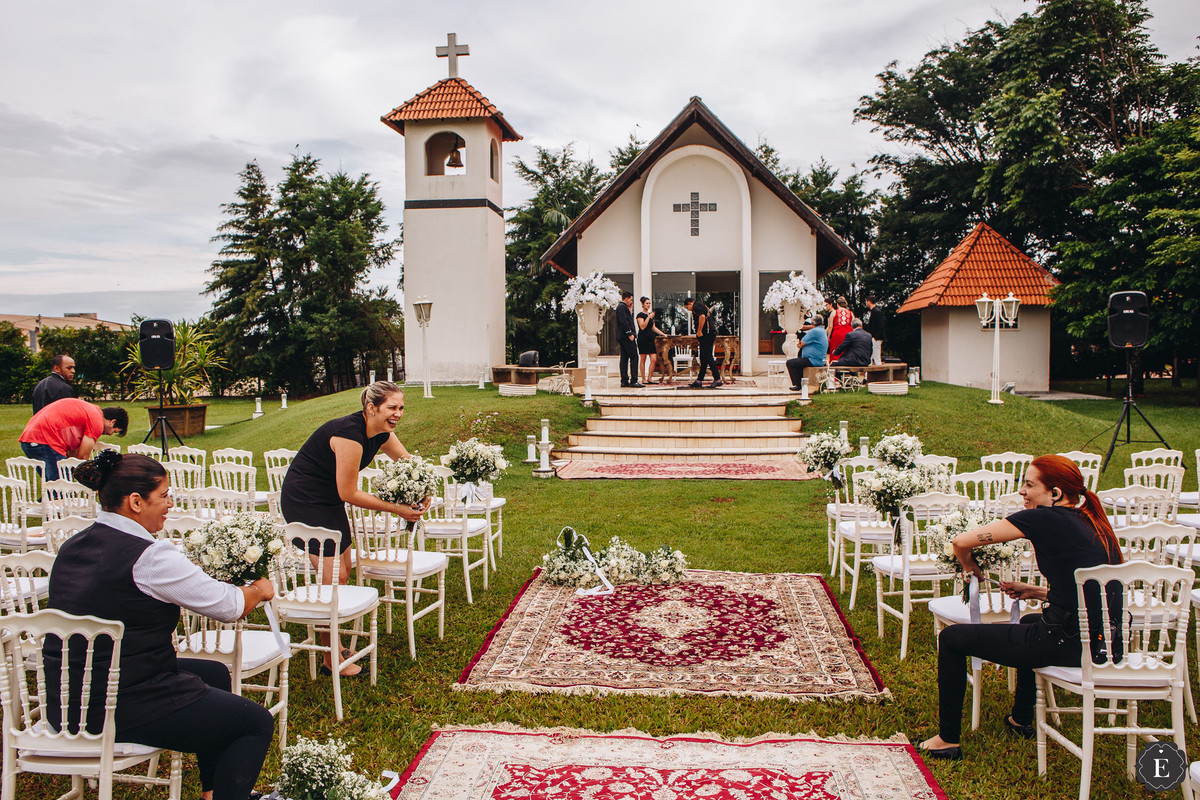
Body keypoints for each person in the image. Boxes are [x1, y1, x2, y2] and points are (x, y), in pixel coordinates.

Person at [47, 451, 275, 800]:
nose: (171, 503)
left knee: (214, 673)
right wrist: (258, 588)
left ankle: (214, 790)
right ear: (136, 502)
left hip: (67, 697)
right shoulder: (150, 555)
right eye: (165, 495)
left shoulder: (73, 545)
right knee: (254, 723)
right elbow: (230, 607)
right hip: (115, 704)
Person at [919, 455, 1123, 760]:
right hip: (1106, 644)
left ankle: (946, 739)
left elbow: (961, 541)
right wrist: (1038, 591)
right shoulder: (1093, 520)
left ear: (1054, 493)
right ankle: (1021, 719)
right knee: (1029, 619)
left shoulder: (1042, 518)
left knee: (951, 640)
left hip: (1065, 643)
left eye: (1029, 485)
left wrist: (969, 566)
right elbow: (1087, 591)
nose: (1022, 491)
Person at [280, 381, 429, 676]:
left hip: (329, 500)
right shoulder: (349, 435)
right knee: (333, 574)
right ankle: (330, 656)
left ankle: (331, 643)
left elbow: (411, 464)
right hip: (306, 500)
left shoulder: (382, 433)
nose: (398, 413)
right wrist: (398, 509)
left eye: (401, 408)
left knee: (343, 571)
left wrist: (424, 489)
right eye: (391, 408)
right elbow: (349, 493)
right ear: (371, 408)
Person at [19, 397, 128, 480]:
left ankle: (44, 506)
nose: (110, 435)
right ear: (112, 422)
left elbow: (74, 455)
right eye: (114, 431)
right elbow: (82, 458)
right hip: (46, 441)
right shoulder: (97, 421)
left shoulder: (90, 410)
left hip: (30, 439)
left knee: (54, 484)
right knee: (62, 488)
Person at [683, 297, 722, 388]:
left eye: (687, 307)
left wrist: (699, 331)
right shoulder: (701, 305)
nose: (688, 309)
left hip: (706, 334)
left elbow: (702, 317)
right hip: (706, 334)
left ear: (689, 303)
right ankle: (699, 380)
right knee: (703, 357)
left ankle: (717, 379)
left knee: (707, 356)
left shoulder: (696, 306)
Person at [786, 313, 827, 391]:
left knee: (790, 363)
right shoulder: (822, 330)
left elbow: (802, 343)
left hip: (813, 359)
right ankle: (802, 383)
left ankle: (797, 384)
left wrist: (801, 345)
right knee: (799, 362)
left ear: (812, 323)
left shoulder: (814, 331)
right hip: (819, 359)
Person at [636, 297, 667, 384]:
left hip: (650, 339)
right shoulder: (640, 315)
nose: (648, 305)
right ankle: (643, 378)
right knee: (643, 359)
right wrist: (648, 317)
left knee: (654, 359)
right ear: (642, 304)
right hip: (642, 339)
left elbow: (653, 327)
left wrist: (663, 334)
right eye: (647, 303)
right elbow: (642, 326)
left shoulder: (650, 315)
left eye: (649, 303)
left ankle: (650, 378)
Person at [615, 291, 642, 388]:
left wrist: (630, 311)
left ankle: (624, 380)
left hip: (622, 336)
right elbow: (624, 321)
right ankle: (634, 380)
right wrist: (629, 333)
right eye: (631, 299)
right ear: (626, 298)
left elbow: (626, 318)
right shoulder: (622, 307)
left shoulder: (622, 308)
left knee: (624, 358)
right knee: (634, 356)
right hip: (626, 336)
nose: (631, 301)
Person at [863, 295, 887, 365]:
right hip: (875, 337)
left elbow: (881, 325)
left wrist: (876, 337)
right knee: (872, 356)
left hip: (876, 338)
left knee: (876, 356)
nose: (866, 303)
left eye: (866, 301)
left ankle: (880, 373)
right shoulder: (875, 311)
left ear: (869, 301)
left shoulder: (876, 311)